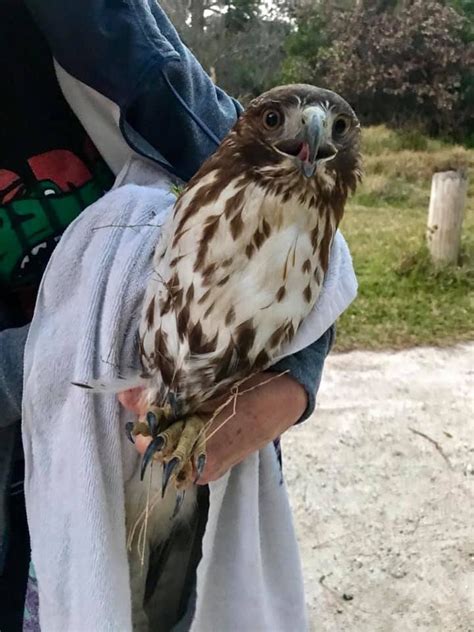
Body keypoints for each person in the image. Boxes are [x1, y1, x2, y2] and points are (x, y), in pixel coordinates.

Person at [1, 1, 356, 629]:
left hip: (182, 455)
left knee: (172, 598)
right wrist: (69, 347)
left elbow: (298, 237)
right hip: (21, 474)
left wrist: (290, 378)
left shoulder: (94, 24)